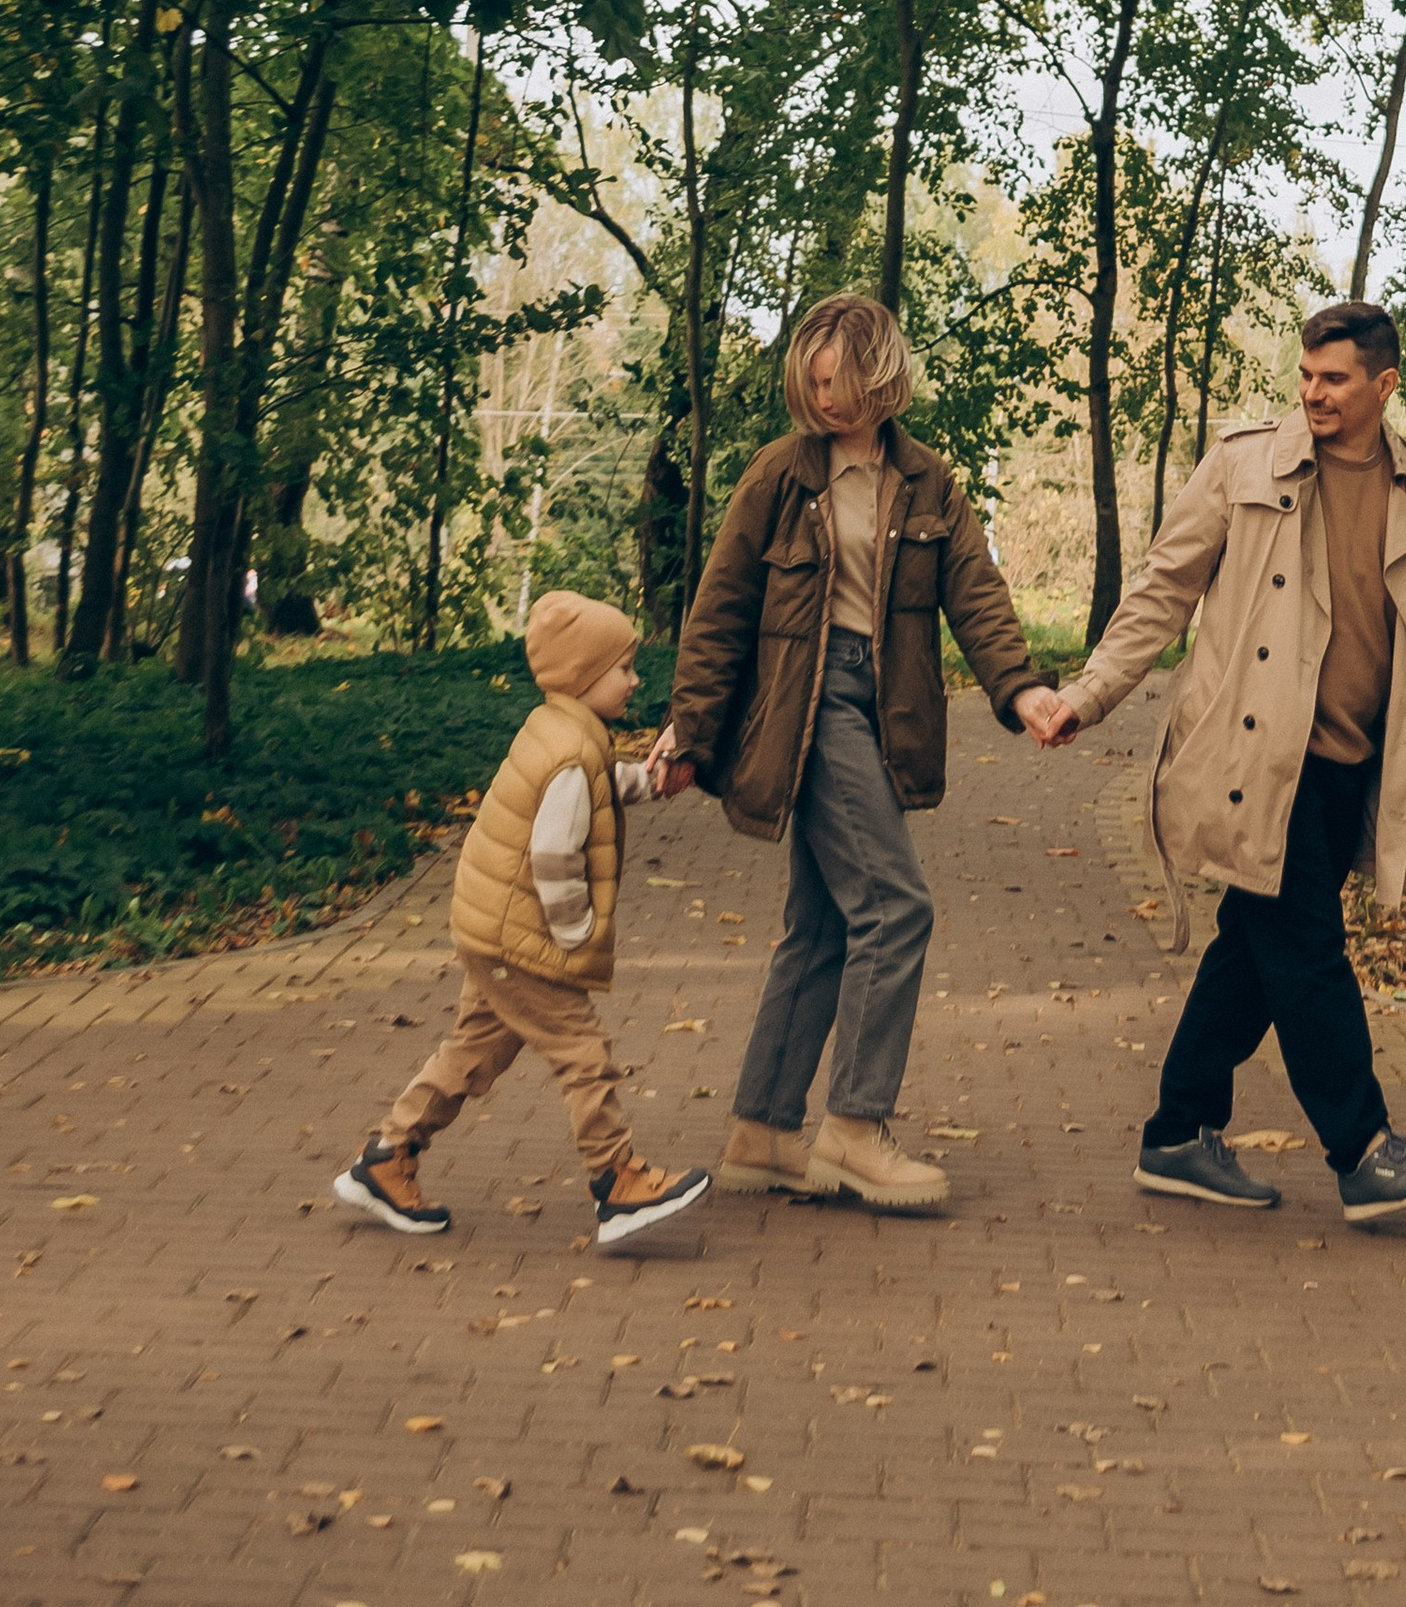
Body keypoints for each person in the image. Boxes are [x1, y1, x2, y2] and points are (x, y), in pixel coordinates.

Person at [1040, 299, 1406, 1228]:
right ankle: (1363, 1150)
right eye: (1306, 375)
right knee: (1308, 949)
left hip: (1358, 758)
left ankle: (1178, 1133)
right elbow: (1164, 583)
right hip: (1259, 754)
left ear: (1382, 385)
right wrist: (1090, 691)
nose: (1313, 392)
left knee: (1253, 946)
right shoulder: (1246, 462)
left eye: (1335, 378)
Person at [662, 291, 1068, 1211]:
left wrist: (1024, 690)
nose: (825, 396)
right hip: (803, 706)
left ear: (879, 374)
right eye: (811, 380)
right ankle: (852, 1127)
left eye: (837, 377)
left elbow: (977, 595)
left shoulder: (926, 483)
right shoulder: (780, 475)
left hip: (877, 703)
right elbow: (720, 606)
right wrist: (691, 729)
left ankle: (763, 1129)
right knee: (896, 906)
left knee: (823, 924)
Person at [332, 589, 713, 1257]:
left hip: (489, 927)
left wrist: (647, 782)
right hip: (522, 936)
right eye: (623, 668)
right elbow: (553, 854)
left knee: (476, 1049)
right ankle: (618, 1181)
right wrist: (573, 934)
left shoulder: (561, 730)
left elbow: (594, 783)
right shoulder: (569, 752)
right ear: (582, 677)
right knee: (581, 1053)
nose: (634, 679)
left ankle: (388, 1158)